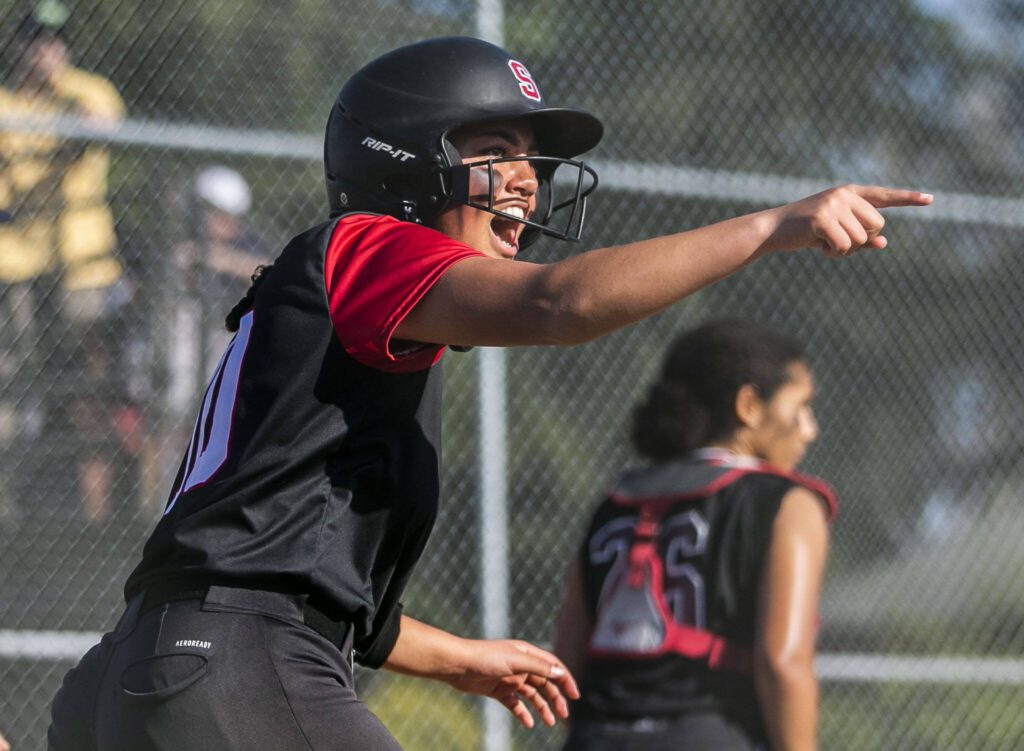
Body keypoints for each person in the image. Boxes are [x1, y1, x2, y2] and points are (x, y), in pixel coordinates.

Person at [47, 36, 929, 750]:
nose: (526, 179)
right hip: (237, 669)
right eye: (493, 151)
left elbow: (282, 568)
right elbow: (564, 301)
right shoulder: (365, 244)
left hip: (149, 669)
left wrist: (462, 658)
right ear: (405, 162)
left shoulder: (341, 326)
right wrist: (774, 224)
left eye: (530, 159)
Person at [554, 319, 835, 751]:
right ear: (750, 407)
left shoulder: (616, 502)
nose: (809, 429)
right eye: (800, 407)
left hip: (596, 737)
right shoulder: (787, 504)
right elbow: (783, 663)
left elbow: (567, 662)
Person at [0, 0, 127, 525]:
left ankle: (93, 518)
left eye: (53, 39)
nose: (44, 49)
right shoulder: (7, 101)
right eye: (34, 38)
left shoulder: (87, 90)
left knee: (85, 392)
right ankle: (9, 504)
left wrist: (60, 92)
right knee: (12, 382)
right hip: (19, 267)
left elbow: (95, 127)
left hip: (82, 268)